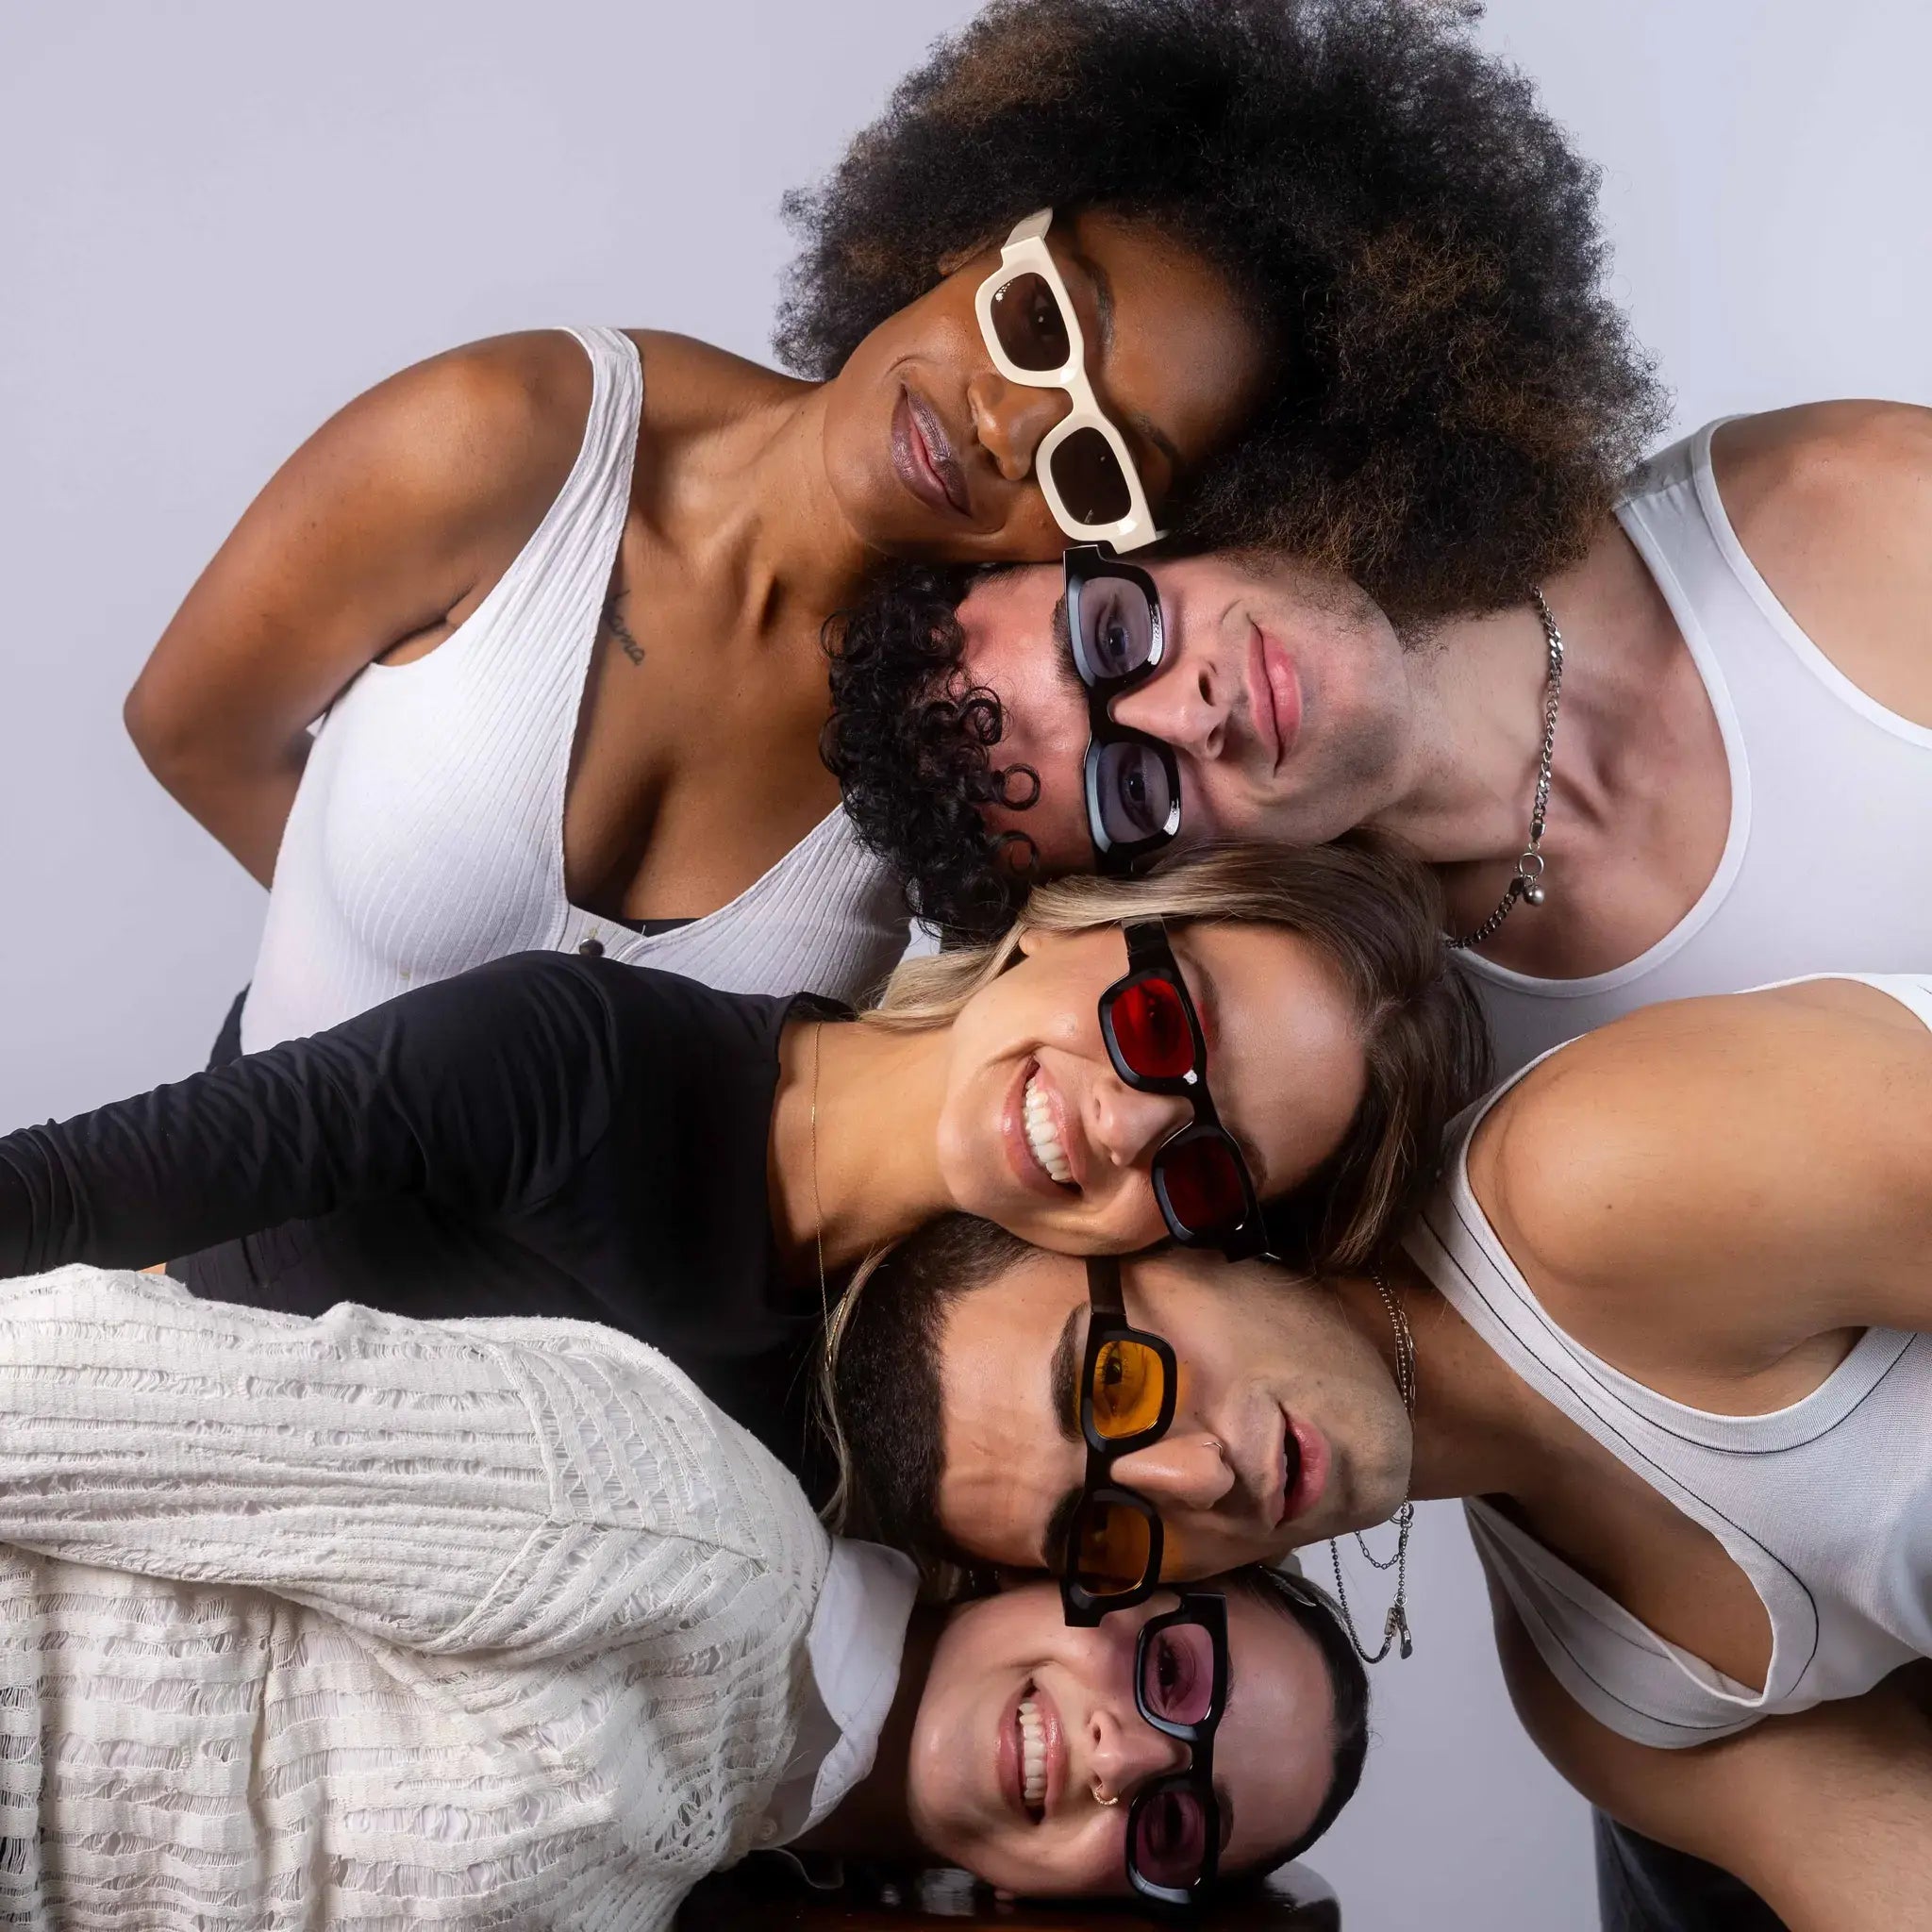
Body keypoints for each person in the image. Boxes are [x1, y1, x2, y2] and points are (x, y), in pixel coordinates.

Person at [123, 0, 1653, 1053]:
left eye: (1100, 461)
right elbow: (192, 727)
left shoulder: (996, 772)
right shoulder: (513, 440)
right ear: (973, 231)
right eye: (1040, 316)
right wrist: (373, 983)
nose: (1007, 416)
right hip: (246, 1243)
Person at [825, 971, 1932, 1929]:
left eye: (1113, 1385)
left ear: (1168, 1232)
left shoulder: (1592, 1177)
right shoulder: (1600, 1694)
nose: (1196, 1473)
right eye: (1103, 1526)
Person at [0, 841, 1488, 1480]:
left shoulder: (906, 1406)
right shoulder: (582, 1060)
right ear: (1072, 920)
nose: (1128, 1121)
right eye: (1165, 1022)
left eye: (1206, 1170)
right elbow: (67, 1196)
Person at [0, 1262, 1368, 1928]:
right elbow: (68, 1385)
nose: (1126, 1758)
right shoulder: (690, 1530)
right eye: (1173, 1678)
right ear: (1066, 1571)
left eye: (1180, 1821)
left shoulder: (690, 1862)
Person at [826, 402, 1932, 1064]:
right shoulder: (1455, 1089)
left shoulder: (1831, 510)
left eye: (1116, 632)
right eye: (1131, 788)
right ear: (1175, 878)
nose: (1188, 711)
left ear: (1161, 534)